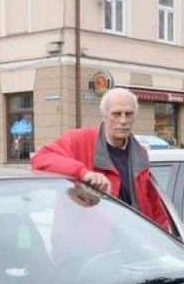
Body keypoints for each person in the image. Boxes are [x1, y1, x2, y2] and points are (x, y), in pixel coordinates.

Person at [31, 87, 172, 232]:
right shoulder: (80, 140)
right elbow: (40, 159)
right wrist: (83, 173)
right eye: (116, 114)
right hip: (85, 242)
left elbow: (153, 206)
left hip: (132, 240)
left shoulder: (140, 153)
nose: (123, 120)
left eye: (129, 114)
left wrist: (163, 239)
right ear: (104, 115)